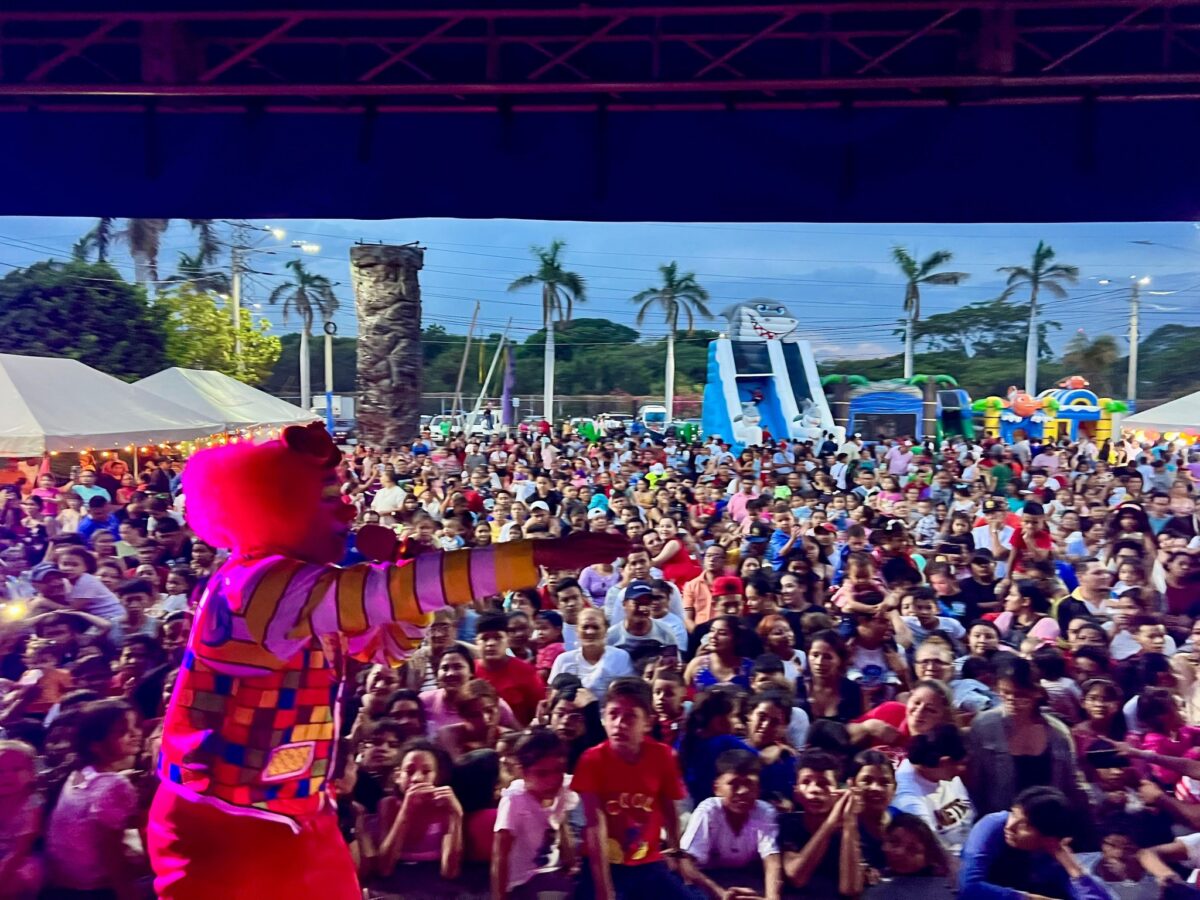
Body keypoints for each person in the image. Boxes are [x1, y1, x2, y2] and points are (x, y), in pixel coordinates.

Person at [148, 422, 624, 899]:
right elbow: (387, 591)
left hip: (298, 812)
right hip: (225, 823)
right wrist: (533, 554)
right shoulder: (255, 587)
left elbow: (387, 647)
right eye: (329, 498)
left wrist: (414, 585)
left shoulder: (305, 587)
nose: (349, 509)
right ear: (277, 507)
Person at [572, 677, 691, 899]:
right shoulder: (591, 760)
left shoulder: (663, 756)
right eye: (613, 714)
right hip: (604, 863)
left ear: (648, 722)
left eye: (630, 716)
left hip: (647, 862)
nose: (619, 723)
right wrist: (604, 889)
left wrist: (676, 853)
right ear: (604, 718)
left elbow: (669, 809)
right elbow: (595, 826)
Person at [44, 699, 143, 899]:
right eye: (123, 731)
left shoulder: (80, 773)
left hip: (62, 881)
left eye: (136, 726)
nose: (136, 734)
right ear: (96, 745)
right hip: (94, 889)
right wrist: (128, 894)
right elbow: (111, 853)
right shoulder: (115, 785)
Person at [965, 657, 1085, 818]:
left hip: (1046, 819)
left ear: (1036, 692)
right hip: (998, 817)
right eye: (1005, 693)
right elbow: (975, 780)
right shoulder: (984, 726)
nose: (1011, 700)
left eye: (1020, 694)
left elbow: (1070, 781)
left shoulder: (1058, 732)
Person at [959, 786, 1111, 900]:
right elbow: (969, 888)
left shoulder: (1052, 851)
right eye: (1013, 814)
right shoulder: (993, 825)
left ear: (1047, 836)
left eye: (1024, 825)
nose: (1010, 826)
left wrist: (1071, 865)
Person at [678, 749, 783, 900]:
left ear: (758, 789)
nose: (742, 791)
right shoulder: (708, 811)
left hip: (745, 878)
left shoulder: (765, 812)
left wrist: (772, 898)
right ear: (717, 788)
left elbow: (772, 860)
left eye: (749, 784)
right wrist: (720, 893)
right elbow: (686, 862)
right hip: (708, 880)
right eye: (734, 784)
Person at [491, 728, 578, 900]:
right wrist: (499, 896)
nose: (553, 780)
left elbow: (561, 824)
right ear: (523, 772)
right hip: (522, 881)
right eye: (542, 774)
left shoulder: (564, 788)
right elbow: (500, 855)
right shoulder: (514, 800)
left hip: (551, 871)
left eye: (558, 770)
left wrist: (570, 861)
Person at [892, 723, 975, 856]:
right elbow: (934, 850)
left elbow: (970, 814)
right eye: (961, 764)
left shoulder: (946, 774)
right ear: (944, 762)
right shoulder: (909, 800)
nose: (963, 769)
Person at [474, 611, 546, 726]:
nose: (491, 643)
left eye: (497, 637)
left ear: (507, 639)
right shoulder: (469, 671)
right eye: (485, 638)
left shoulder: (526, 672)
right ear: (476, 642)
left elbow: (539, 714)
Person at [548, 607, 635, 700]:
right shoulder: (563, 660)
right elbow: (553, 697)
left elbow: (628, 695)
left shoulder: (620, 657)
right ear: (577, 631)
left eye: (595, 627)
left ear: (606, 630)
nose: (590, 632)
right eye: (585, 627)